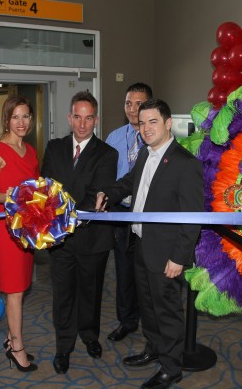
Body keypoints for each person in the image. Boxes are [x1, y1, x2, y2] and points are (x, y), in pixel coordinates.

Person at [96, 98, 203, 389]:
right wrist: (108, 193)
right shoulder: (145, 154)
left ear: (168, 123)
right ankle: (154, 349)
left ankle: (171, 367)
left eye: (153, 121)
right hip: (141, 244)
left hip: (167, 253)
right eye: (142, 123)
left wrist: (179, 257)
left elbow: (192, 217)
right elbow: (129, 183)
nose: (146, 128)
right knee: (148, 306)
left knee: (167, 310)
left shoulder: (185, 164)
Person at [40, 90, 118, 374]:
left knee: (91, 291)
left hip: (92, 237)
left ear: (95, 119)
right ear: (69, 117)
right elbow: (46, 187)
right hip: (59, 240)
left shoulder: (108, 154)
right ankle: (64, 346)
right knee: (62, 294)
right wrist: (57, 221)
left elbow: (98, 192)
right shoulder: (54, 147)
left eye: (88, 118)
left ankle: (89, 335)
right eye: (77, 117)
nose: (82, 124)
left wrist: (65, 216)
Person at [0, 96, 39, 372]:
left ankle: (10, 338)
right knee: (15, 290)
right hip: (7, 226)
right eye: (16, 117)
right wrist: (8, 197)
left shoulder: (30, 151)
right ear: (6, 119)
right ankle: (17, 348)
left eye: (26, 117)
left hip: (28, 226)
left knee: (22, 285)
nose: (21, 122)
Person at [104, 82, 153, 342]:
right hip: (121, 214)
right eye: (128, 104)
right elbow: (108, 177)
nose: (133, 109)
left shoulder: (158, 139)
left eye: (139, 104)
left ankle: (151, 326)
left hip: (149, 217)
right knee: (123, 271)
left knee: (147, 275)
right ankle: (126, 321)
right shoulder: (113, 137)